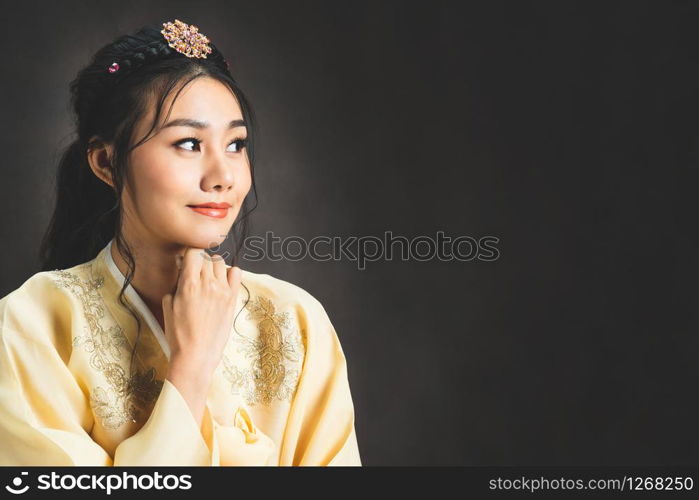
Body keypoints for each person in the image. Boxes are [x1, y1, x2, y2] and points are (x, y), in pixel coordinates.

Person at [0, 19, 361, 466]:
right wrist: (190, 367)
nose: (223, 177)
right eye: (189, 143)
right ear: (105, 162)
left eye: (236, 144)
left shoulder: (294, 321)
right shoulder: (31, 324)